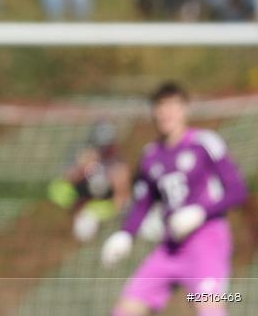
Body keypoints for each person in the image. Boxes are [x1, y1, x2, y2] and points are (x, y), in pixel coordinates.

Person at [101, 83, 248, 316]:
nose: (165, 113)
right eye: (160, 107)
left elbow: (238, 190)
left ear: (185, 109)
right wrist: (125, 234)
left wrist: (201, 212)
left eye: (172, 106)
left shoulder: (203, 143)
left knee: (209, 309)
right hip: (171, 246)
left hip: (207, 240)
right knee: (126, 309)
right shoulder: (151, 155)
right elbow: (144, 202)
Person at [48, 120, 131, 242]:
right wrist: (83, 167)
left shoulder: (117, 163)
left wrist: (116, 181)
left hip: (102, 203)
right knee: (58, 190)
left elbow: (122, 197)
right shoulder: (81, 154)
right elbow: (67, 179)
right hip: (81, 195)